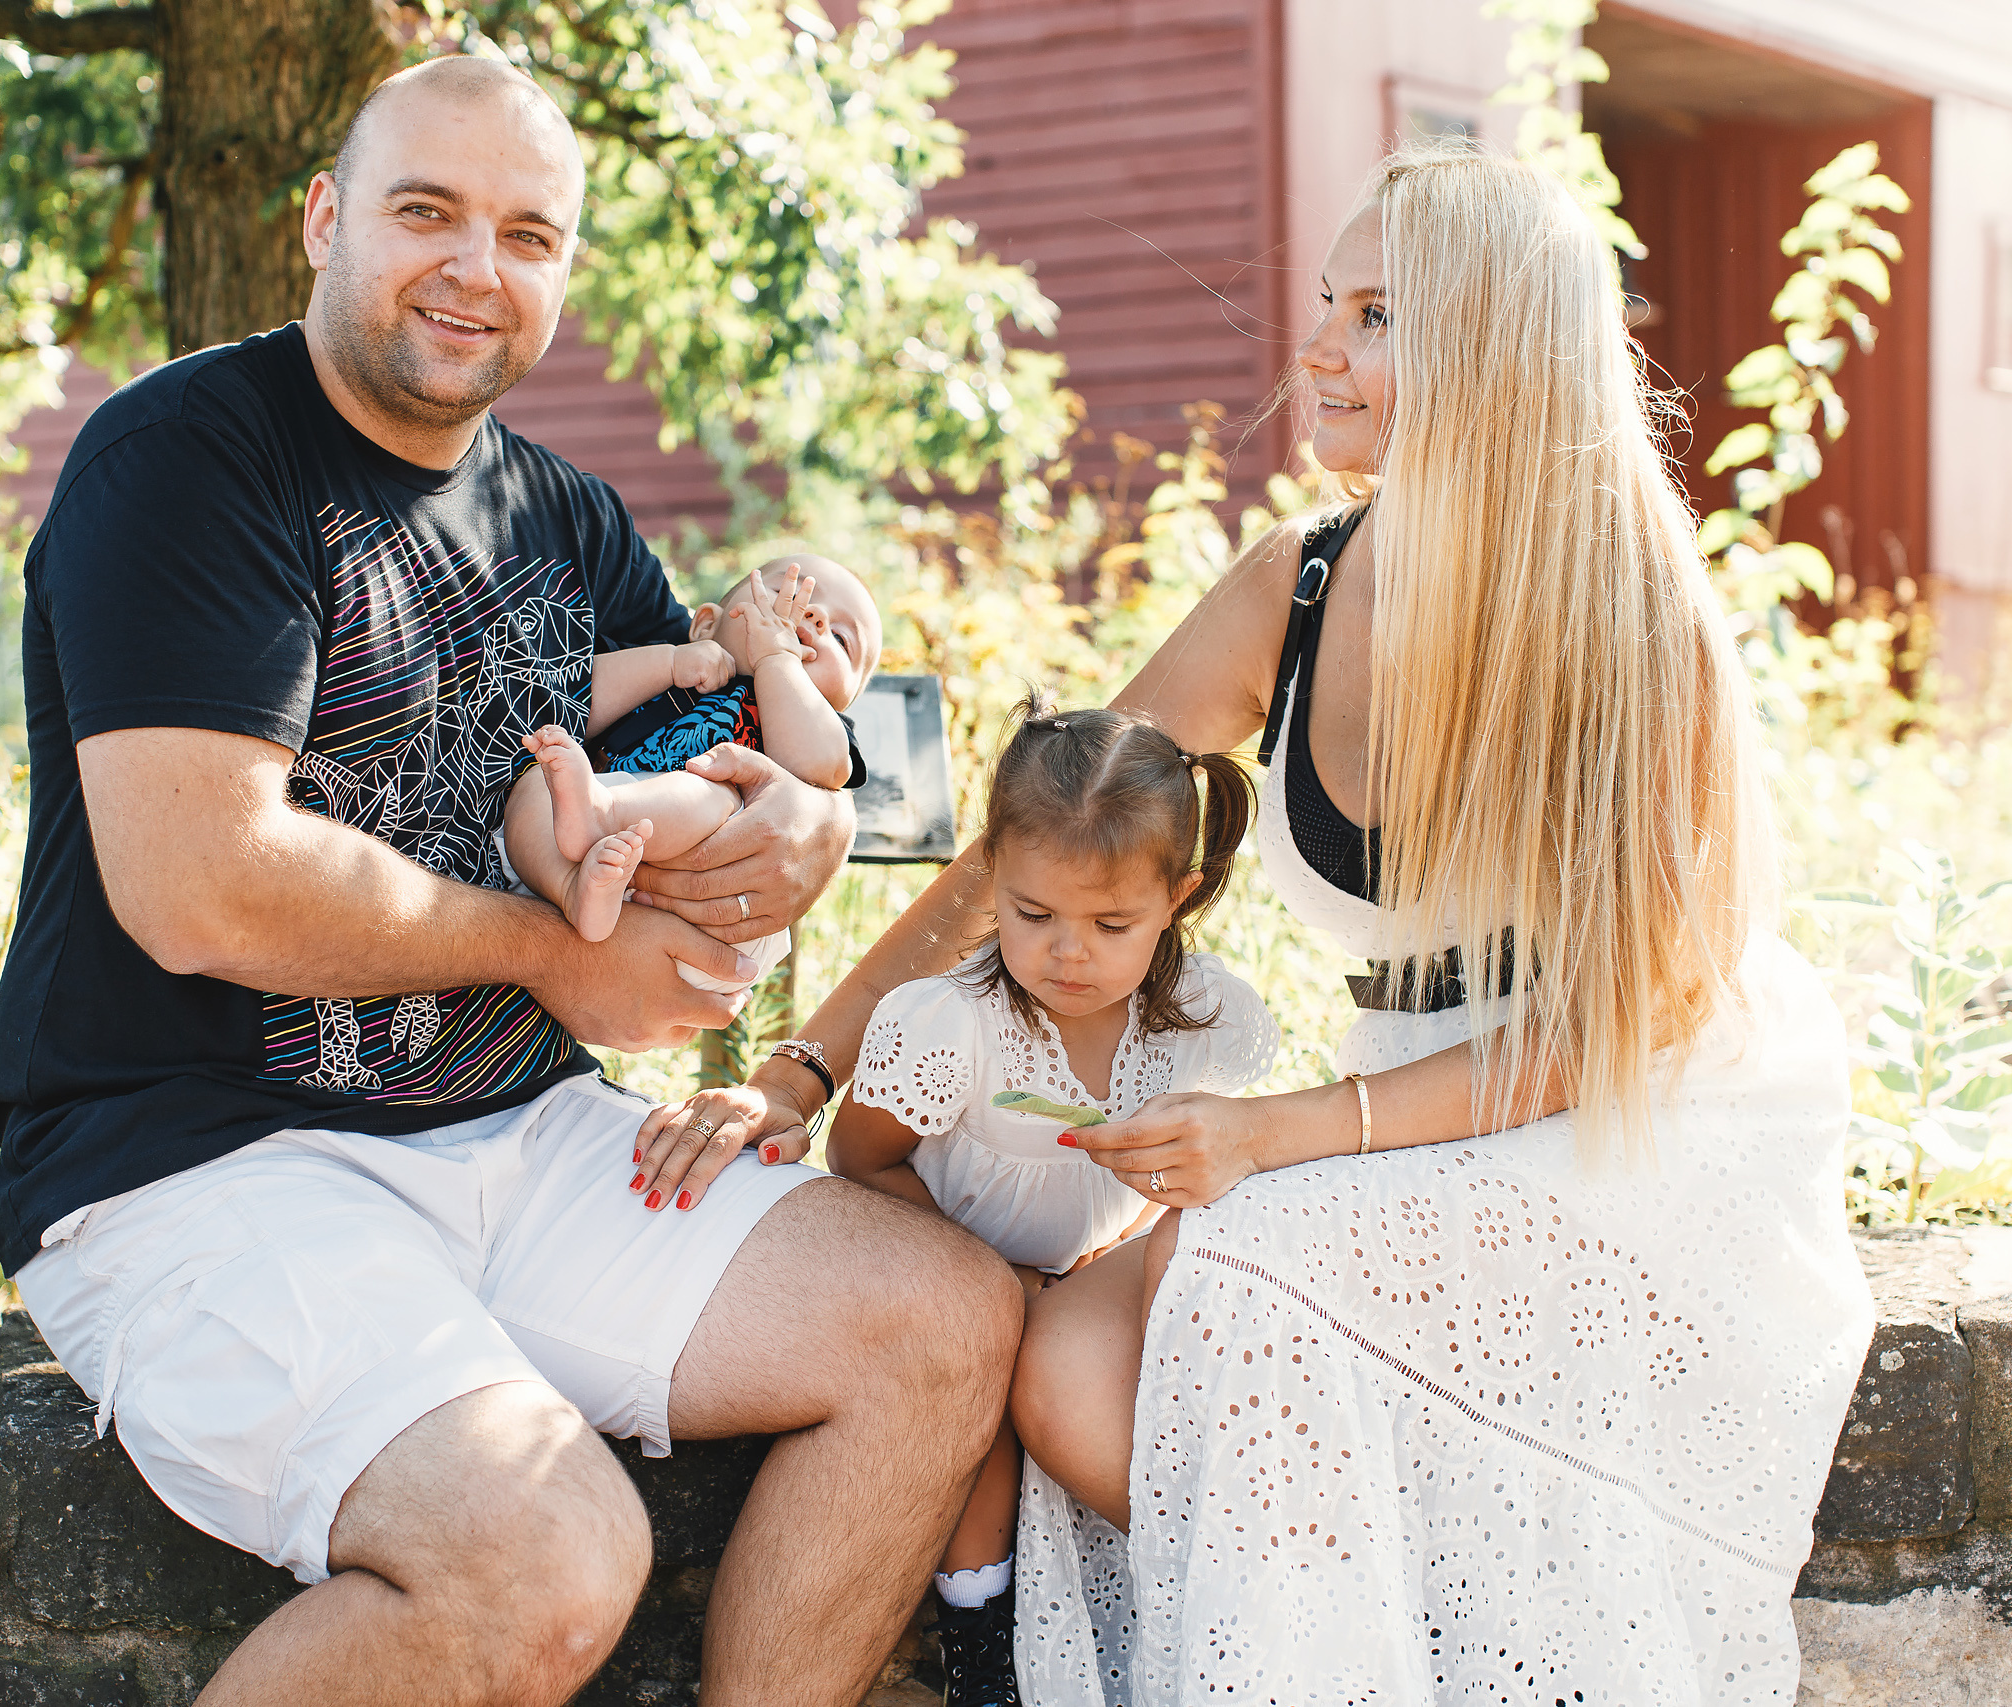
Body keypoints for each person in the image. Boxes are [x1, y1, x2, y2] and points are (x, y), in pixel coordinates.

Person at [633, 138, 1874, 1705]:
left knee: (1251, 1283)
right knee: (1072, 1364)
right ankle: (1383, 1642)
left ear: (1493, 338)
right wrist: (809, 1069)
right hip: (1408, 1088)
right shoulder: (1298, 585)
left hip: (1624, 1120)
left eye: (1374, 313)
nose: (1316, 350)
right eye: (1328, 304)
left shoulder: (1629, 611)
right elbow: (1047, 833)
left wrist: (1286, 1129)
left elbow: (1616, 1027)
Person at [0, 52, 1021, 1707]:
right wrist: (544, 953)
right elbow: (203, 884)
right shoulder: (186, 461)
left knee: (946, 1318)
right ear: (324, 220)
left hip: (518, 1140)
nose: (477, 268)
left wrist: (792, 843)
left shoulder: (574, 522)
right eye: (426, 213)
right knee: (544, 1559)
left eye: (528, 233)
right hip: (196, 1163)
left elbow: (717, 851)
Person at [828, 702, 1278, 1704]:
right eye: (1032, 915)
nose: (1066, 952)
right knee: (978, 1408)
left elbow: (1197, 1175)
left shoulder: (1197, 1019)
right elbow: (858, 1165)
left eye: (1110, 924)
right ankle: (981, 1643)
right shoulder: (951, 1029)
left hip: (1083, 1275)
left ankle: (1215, 1591)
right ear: (995, 875)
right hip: (943, 1265)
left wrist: (1107, 1258)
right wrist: (990, 1283)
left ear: (1179, 898)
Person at [505, 553, 882, 992]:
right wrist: (668, 663)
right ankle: (574, 888)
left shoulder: (823, 728)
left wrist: (776, 660)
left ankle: (600, 816)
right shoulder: (685, 666)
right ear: (706, 625)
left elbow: (817, 766)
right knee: (535, 781)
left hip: (708, 894)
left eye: (840, 637)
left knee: (715, 789)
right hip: (575, 865)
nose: (812, 615)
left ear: (846, 699)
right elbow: (574, 703)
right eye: (787, 593)